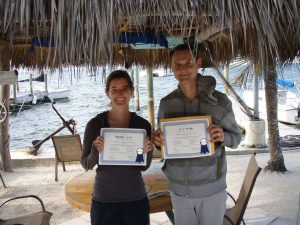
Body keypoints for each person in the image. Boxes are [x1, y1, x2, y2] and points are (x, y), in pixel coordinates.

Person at [152, 44, 242, 225]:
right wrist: (157, 141)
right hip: (178, 190)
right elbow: (161, 143)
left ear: (198, 63)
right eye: (177, 65)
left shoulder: (220, 101)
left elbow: (237, 138)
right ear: (172, 68)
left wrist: (223, 136)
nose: (183, 69)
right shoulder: (166, 104)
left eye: (188, 62)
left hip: (212, 190)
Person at [81, 70, 154, 225]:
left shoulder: (143, 125)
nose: (120, 94)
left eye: (124, 89)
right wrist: (96, 150)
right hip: (104, 200)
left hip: (136, 198)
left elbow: (144, 167)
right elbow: (86, 164)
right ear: (107, 93)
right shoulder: (94, 124)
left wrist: (147, 152)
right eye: (114, 89)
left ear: (132, 92)